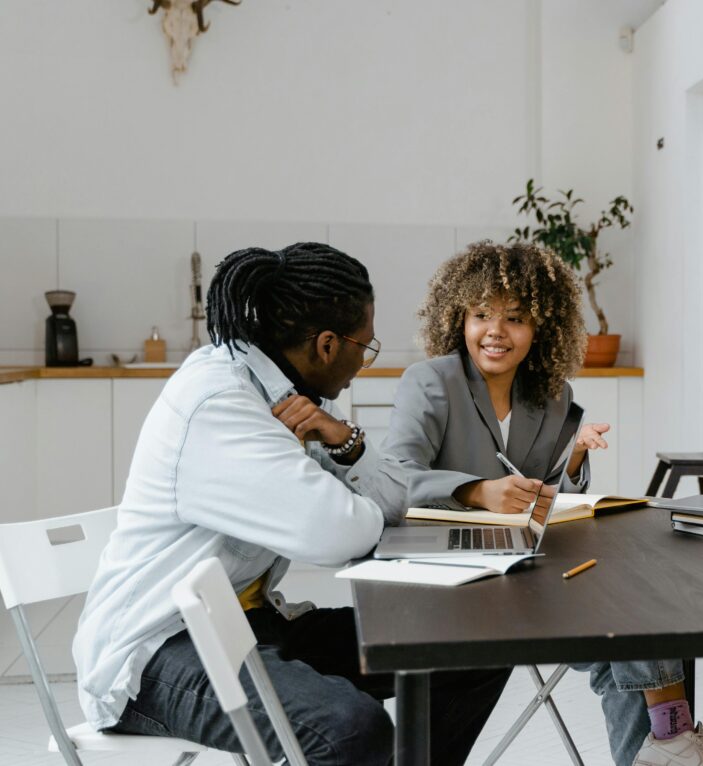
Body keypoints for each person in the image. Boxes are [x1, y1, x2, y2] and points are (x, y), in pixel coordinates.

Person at [73, 243, 507, 766]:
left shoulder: (296, 397)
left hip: (253, 625)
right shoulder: (222, 404)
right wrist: (351, 498)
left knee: (475, 645)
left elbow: (393, 502)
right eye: (364, 348)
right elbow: (339, 535)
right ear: (327, 345)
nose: (363, 365)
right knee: (349, 730)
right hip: (157, 654)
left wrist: (346, 442)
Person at [385, 240, 703, 766]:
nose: (496, 331)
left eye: (515, 318)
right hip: (453, 576)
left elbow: (547, 499)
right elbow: (394, 479)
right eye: (481, 315)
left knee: (629, 627)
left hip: (533, 574)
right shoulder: (430, 381)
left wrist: (571, 460)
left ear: (541, 326)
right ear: (459, 318)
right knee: (623, 621)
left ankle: (666, 744)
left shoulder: (553, 395)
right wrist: (477, 491)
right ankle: (674, 736)